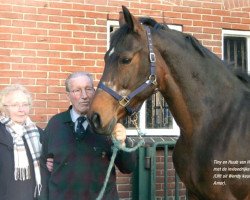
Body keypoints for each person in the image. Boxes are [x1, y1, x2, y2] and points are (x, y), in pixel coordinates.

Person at [41, 72, 136, 200]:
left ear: (94, 91)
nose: (84, 96)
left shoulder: (107, 124)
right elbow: (44, 164)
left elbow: (128, 167)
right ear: (68, 95)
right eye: (77, 90)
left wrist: (123, 143)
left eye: (88, 89)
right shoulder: (55, 124)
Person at [0, 84, 44, 200]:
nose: (21, 109)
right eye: (15, 105)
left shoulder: (37, 133)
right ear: (4, 108)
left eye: (25, 105)